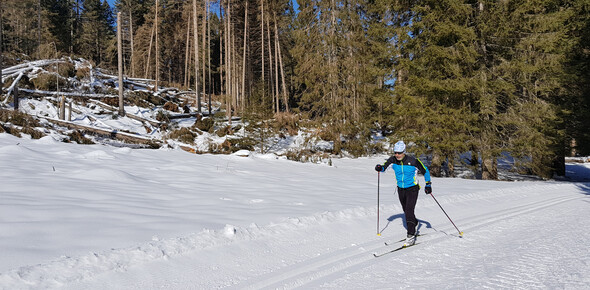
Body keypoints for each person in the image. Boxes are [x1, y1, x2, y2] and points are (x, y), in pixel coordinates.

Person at [375, 140, 431, 246]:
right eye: (395, 152)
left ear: (404, 152)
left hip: (412, 189)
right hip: (401, 189)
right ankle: (414, 222)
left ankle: (411, 235)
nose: (397, 155)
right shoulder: (393, 160)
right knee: (406, 211)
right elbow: (383, 168)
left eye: (399, 153)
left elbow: (425, 170)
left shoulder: (413, 161)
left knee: (409, 211)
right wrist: (379, 168)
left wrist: (428, 184)